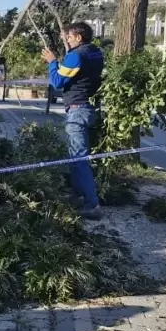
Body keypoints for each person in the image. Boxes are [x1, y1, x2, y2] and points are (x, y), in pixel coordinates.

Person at [42, 23, 105, 218]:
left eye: (69, 36)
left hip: (78, 110)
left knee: (78, 158)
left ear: (79, 37)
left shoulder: (76, 56)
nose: (67, 39)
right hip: (91, 108)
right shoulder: (96, 52)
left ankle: (92, 205)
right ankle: (78, 195)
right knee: (76, 156)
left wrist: (53, 62)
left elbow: (58, 82)